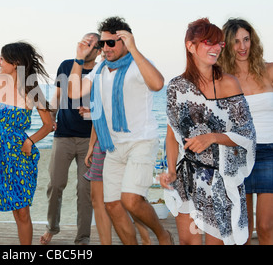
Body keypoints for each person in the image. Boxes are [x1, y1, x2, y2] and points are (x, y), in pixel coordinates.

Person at [69, 16, 172, 245]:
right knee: (113, 205)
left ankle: (163, 235)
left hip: (141, 142)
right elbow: (74, 93)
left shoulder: (139, 64)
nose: (105, 48)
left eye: (111, 43)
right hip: (113, 146)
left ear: (125, 41)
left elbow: (157, 84)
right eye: (102, 44)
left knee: (131, 200)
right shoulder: (100, 70)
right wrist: (79, 57)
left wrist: (134, 49)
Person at [160, 18, 256, 245]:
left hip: (220, 180)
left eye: (219, 44)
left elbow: (247, 134)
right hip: (187, 177)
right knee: (188, 242)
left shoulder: (229, 83)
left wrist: (212, 137)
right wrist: (171, 170)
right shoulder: (176, 87)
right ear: (190, 46)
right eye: (208, 43)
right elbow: (171, 135)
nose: (216, 48)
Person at [0, 42, 53, 245]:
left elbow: (48, 125)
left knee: (21, 210)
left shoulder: (32, 88)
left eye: (3, 59)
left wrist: (30, 141)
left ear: (15, 63)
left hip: (16, 152)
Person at [40, 33, 100, 245]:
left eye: (91, 43)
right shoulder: (67, 65)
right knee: (55, 184)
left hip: (90, 140)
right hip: (63, 135)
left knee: (85, 190)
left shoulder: (101, 71)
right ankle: (51, 227)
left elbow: (107, 106)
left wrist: (92, 111)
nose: (85, 45)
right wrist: (51, 117)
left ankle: (82, 237)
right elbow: (57, 96)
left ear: (99, 50)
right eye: (83, 40)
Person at [218, 18, 273, 245]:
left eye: (246, 39)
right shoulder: (221, 78)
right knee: (243, 229)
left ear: (253, 41)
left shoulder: (270, 71)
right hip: (237, 152)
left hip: (269, 152)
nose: (242, 47)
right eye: (236, 41)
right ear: (227, 46)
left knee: (266, 225)